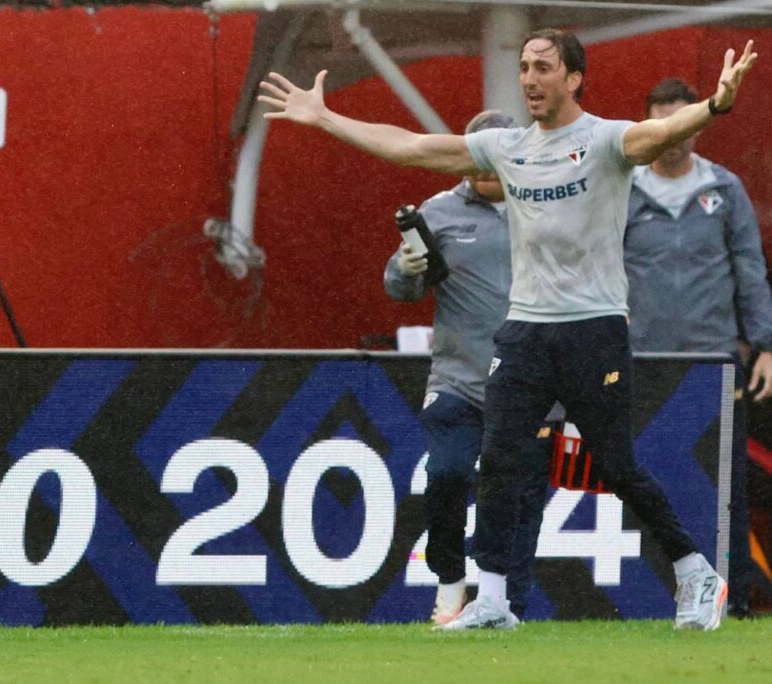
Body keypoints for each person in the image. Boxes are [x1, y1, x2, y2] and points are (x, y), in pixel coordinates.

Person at [259, 28, 758, 630]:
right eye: (523, 66)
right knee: (497, 460)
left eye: (543, 67)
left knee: (615, 466)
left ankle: (694, 571)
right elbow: (412, 146)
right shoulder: (505, 147)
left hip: (592, 329)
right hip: (523, 332)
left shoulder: (603, 141)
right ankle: (491, 599)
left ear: (573, 78)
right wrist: (326, 118)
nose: (529, 78)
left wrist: (717, 105)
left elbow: (657, 135)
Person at [385, 110, 552, 623]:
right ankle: (450, 578)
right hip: (460, 379)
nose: (481, 169)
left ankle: (508, 607)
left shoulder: (550, 205)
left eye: (491, 158)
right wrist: (406, 269)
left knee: (521, 499)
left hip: (531, 383)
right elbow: (400, 288)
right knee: (448, 473)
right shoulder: (437, 212)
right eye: (473, 157)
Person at [624, 77, 772, 618]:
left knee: (724, 483)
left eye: (684, 124)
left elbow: (750, 270)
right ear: (648, 127)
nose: (675, 136)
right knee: (643, 475)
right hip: (642, 359)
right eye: (664, 125)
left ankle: (732, 596)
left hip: (713, 361)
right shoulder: (625, 187)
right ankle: (642, 593)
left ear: (700, 123)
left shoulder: (725, 189)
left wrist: (767, 346)